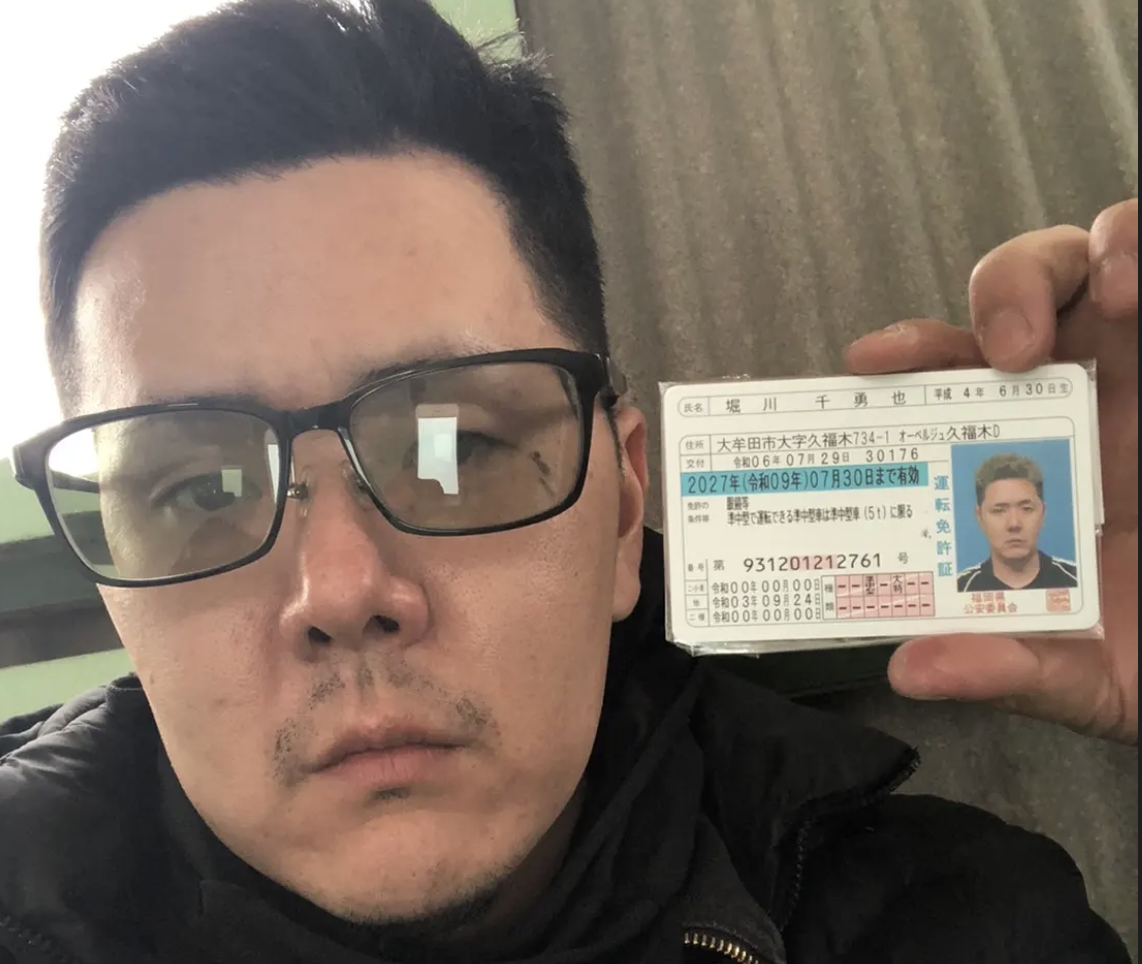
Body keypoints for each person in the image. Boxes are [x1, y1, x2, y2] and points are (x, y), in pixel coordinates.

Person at [0, 2, 1135, 962]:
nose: (342, 593)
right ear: (115, 585)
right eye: (201, 493)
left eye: (453, 449)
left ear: (624, 511)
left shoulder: (965, 924)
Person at [956, 453, 1079, 592]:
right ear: (979, 517)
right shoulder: (959, 589)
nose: (1014, 524)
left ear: (1043, 513)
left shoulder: (1078, 580)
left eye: (1026, 509)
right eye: (999, 511)